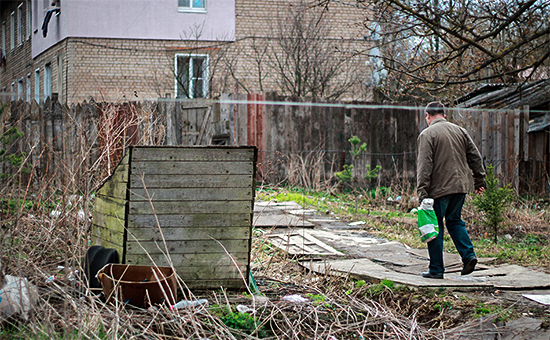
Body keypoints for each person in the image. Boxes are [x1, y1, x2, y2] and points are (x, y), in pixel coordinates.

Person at [417, 102, 486, 279]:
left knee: (435, 226)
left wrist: (422, 192)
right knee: (454, 221)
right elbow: (475, 156)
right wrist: (479, 180)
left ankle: (436, 269)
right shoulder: (459, 131)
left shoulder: (427, 134)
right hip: (461, 187)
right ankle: (468, 255)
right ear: (444, 115)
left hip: (439, 189)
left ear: (428, 116)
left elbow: (424, 166)